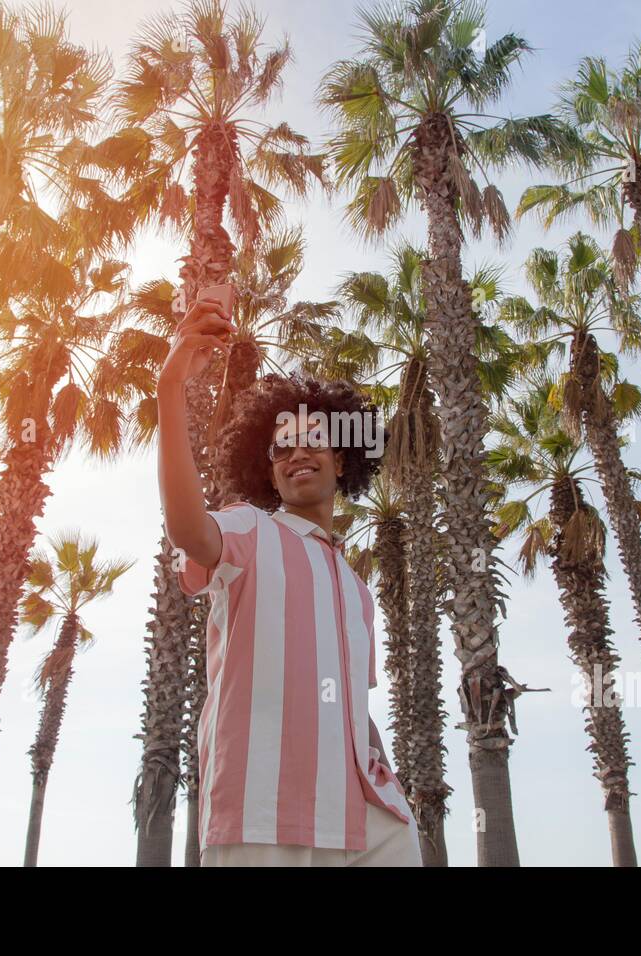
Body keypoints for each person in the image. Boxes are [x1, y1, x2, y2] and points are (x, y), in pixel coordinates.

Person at [156, 293, 422, 867]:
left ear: (343, 459)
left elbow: (353, 696)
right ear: (268, 472)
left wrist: (382, 765)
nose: (297, 454)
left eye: (313, 441)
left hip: (367, 815)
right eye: (281, 450)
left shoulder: (357, 588)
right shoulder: (249, 530)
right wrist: (171, 388)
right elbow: (188, 531)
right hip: (262, 812)